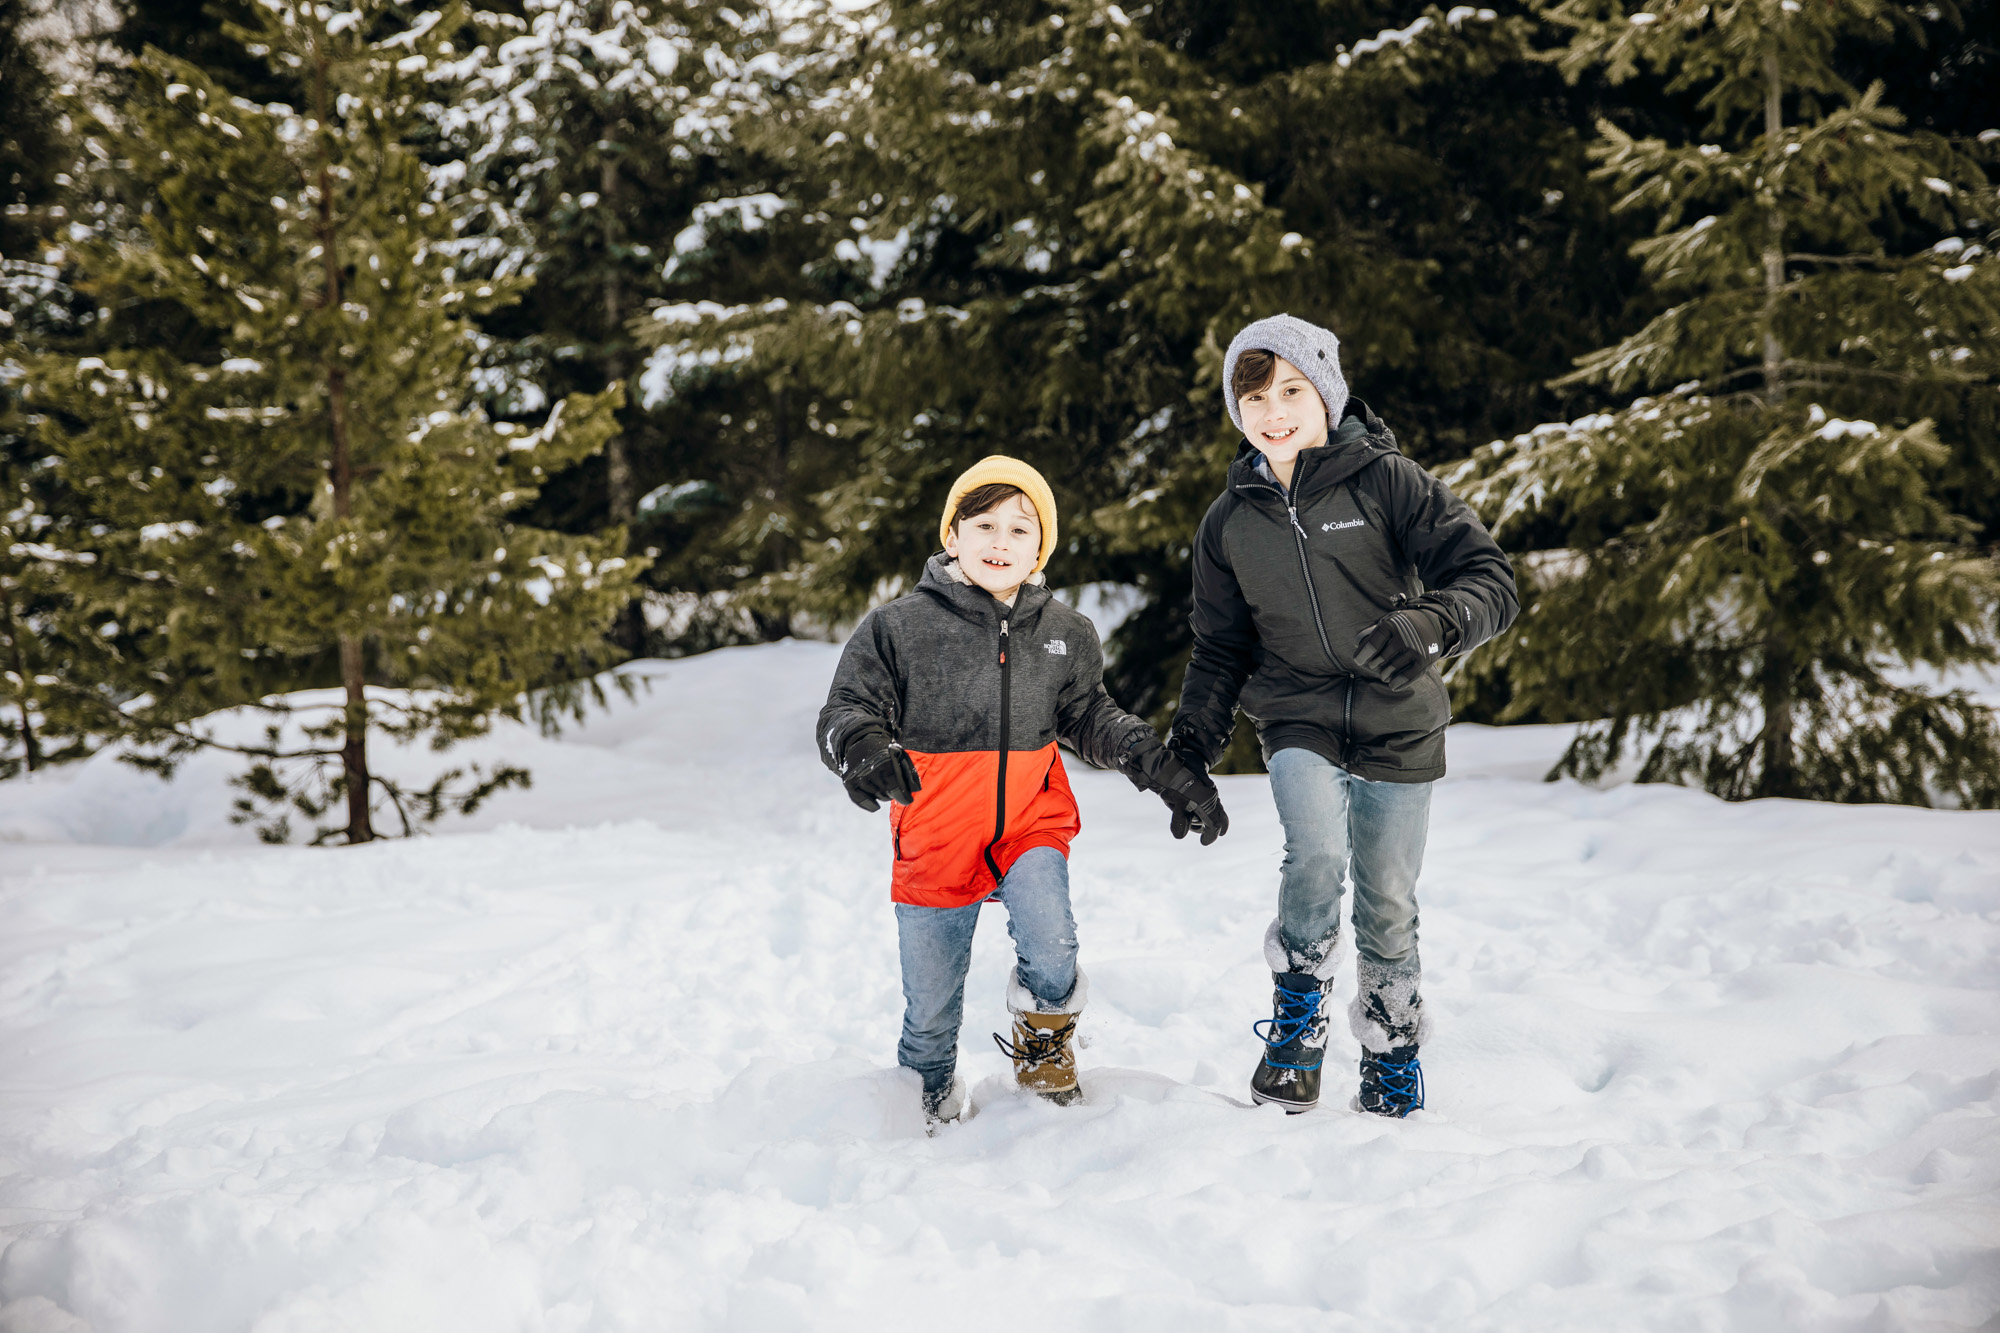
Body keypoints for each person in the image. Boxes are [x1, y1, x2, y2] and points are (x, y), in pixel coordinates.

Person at [1169, 314, 1519, 1117]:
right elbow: (1220, 647)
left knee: (1389, 896)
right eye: (1253, 396)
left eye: (1290, 390)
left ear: (1326, 392)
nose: (1273, 411)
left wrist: (1430, 623)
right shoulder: (1229, 523)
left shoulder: (1389, 481)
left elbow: (1490, 578)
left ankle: (1391, 1045)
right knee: (1316, 853)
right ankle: (1297, 1026)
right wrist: (1193, 740)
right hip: (1298, 714)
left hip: (1400, 716)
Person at [818, 456, 1229, 1126]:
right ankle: (922, 1100)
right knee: (929, 1010)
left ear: (1042, 547)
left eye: (1021, 527)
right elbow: (846, 708)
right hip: (935, 832)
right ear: (953, 535)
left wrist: (1159, 767)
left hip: (1029, 823)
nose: (1002, 540)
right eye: (985, 524)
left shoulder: (1064, 632)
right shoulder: (899, 628)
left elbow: (1091, 716)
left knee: (1053, 943)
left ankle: (1044, 1061)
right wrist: (861, 748)